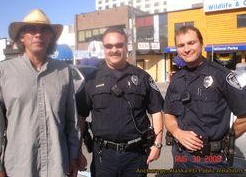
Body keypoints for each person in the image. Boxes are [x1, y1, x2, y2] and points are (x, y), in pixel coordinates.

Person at [0, 9, 80, 177]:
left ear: (50, 37)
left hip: (57, 165)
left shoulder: (63, 71)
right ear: (22, 37)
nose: (38, 34)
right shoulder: (3, 72)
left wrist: (74, 155)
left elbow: (71, 121)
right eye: (32, 29)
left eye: (44, 30)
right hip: (19, 166)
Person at [76, 27, 164, 177]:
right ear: (104, 48)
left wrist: (157, 145)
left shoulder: (142, 77)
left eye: (119, 45)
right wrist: (77, 151)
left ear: (126, 46)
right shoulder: (92, 79)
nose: (114, 50)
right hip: (103, 156)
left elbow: (156, 111)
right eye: (109, 46)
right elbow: (81, 118)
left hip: (136, 155)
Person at [164, 26, 246, 174]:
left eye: (191, 43)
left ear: (201, 43)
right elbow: (168, 114)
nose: (187, 49)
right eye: (181, 45)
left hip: (212, 162)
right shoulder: (176, 79)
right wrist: (177, 132)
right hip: (181, 159)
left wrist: (227, 140)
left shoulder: (222, 75)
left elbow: (244, 115)